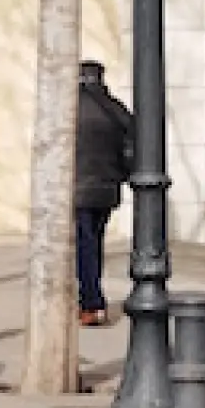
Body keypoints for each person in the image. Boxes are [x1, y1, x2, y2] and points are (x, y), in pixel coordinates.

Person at [76, 61, 135, 328]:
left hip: (78, 188)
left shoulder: (71, 108)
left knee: (84, 245)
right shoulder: (115, 108)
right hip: (108, 188)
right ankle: (91, 298)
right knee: (94, 244)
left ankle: (91, 302)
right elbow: (132, 142)